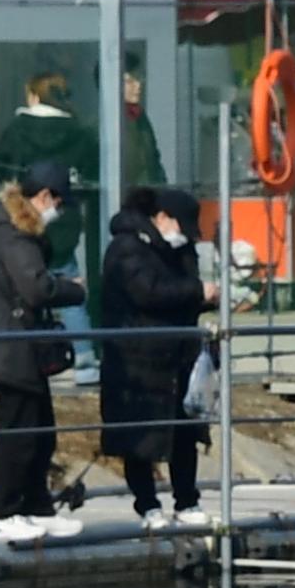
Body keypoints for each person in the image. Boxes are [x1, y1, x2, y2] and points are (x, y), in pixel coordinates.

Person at [0, 159, 86, 543]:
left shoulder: (15, 231)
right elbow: (35, 288)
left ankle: (36, 506)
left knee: (41, 429)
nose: (57, 211)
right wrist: (74, 288)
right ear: (43, 197)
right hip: (6, 345)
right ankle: (5, 512)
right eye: (57, 202)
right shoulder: (14, 234)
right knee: (19, 431)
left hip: (16, 342)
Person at [98, 184, 218, 527]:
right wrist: (197, 290)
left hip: (177, 354)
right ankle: (147, 504)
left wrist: (205, 297)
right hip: (136, 357)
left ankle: (187, 501)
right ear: (162, 218)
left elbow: (182, 290)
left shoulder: (179, 251)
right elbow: (147, 291)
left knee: (184, 432)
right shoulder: (127, 248)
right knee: (140, 435)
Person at [0, 70, 98, 272]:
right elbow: (91, 177)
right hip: (65, 225)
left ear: (34, 97)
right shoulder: (81, 133)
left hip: (23, 222)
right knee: (69, 290)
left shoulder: (16, 130)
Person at [116, 60, 166, 189]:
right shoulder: (101, 126)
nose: (138, 85)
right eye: (129, 81)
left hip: (148, 198)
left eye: (138, 79)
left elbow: (154, 161)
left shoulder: (141, 119)